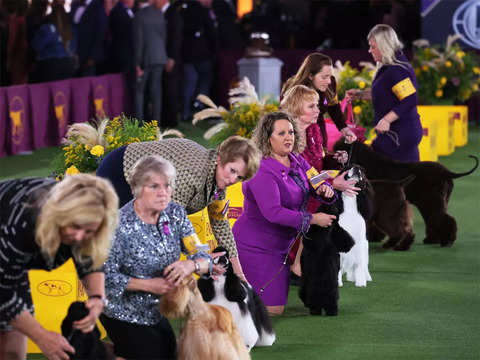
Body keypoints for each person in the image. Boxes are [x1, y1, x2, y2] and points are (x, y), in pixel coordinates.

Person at [100, 155, 223, 360]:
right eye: (154, 186)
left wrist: (191, 265)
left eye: (167, 185)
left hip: (157, 309)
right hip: (120, 311)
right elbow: (104, 278)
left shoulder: (175, 213)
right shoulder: (119, 226)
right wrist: (149, 285)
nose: (163, 193)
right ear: (136, 188)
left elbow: (201, 252)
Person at [97, 136, 260, 282]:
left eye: (239, 177)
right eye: (232, 171)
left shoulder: (219, 183)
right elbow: (168, 221)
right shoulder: (192, 175)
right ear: (220, 158)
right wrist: (200, 261)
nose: (233, 180)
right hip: (121, 172)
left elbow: (220, 224)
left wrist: (238, 272)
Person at [0, 174, 119, 360]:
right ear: (61, 216)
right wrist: (41, 336)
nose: (80, 237)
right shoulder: (20, 226)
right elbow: (3, 292)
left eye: (88, 231)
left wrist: (97, 298)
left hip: (13, 260)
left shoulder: (83, 218)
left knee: (13, 348)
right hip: (8, 237)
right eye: (76, 227)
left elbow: (91, 259)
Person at [232, 111, 338, 316]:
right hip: (256, 248)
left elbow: (317, 181)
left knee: (275, 309)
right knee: (272, 310)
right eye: (281, 133)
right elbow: (274, 213)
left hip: (281, 248)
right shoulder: (261, 169)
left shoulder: (297, 160)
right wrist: (313, 219)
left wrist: (326, 191)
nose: (288, 137)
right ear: (267, 138)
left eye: (290, 132)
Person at [280, 84, 361, 277]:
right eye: (312, 106)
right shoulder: (286, 135)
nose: (318, 110)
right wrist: (332, 184)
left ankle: (308, 262)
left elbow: (317, 161)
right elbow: (298, 178)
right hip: (291, 192)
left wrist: (334, 159)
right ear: (297, 108)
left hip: (312, 188)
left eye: (317, 105)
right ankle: (296, 265)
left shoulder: (314, 128)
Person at [346, 24, 423, 161]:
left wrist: (387, 119)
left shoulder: (397, 70)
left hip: (399, 136)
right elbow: (386, 93)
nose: (370, 51)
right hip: (397, 134)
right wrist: (360, 94)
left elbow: (410, 99)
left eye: (373, 47)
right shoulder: (390, 66)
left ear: (384, 46)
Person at [281, 52, 358, 150]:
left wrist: (344, 128)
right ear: (310, 76)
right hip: (298, 132)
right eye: (324, 77)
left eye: (329, 76)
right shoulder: (293, 90)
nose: (329, 81)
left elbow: (333, 107)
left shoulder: (330, 84)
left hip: (319, 128)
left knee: (322, 156)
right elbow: (284, 119)